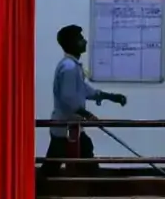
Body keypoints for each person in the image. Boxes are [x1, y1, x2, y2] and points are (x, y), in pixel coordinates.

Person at [38, 24, 127, 184]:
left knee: (75, 158)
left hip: (70, 127)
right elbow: (68, 97)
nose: (84, 41)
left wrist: (109, 96)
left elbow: (83, 90)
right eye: (80, 39)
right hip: (65, 128)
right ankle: (32, 192)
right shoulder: (69, 68)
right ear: (71, 43)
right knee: (55, 166)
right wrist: (87, 114)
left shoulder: (71, 66)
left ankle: (95, 191)